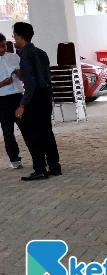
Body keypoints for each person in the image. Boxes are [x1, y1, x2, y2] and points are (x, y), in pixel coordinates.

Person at [12, 22, 61, 181]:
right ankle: (54, 166)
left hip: (35, 97)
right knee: (47, 132)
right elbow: (45, 77)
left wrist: (22, 105)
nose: (14, 38)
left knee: (34, 135)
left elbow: (31, 84)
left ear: (19, 36)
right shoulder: (41, 52)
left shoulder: (25, 55)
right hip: (45, 95)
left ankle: (40, 169)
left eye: (14, 35)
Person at [0, 33, 25, 169]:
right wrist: (3, 83)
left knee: (27, 127)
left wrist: (19, 74)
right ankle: (14, 159)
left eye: (4, 45)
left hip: (17, 96)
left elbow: (24, 77)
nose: (3, 49)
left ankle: (36, 155)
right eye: (0, 47)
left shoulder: (14, 57)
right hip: (2, 99)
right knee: (8, 131)